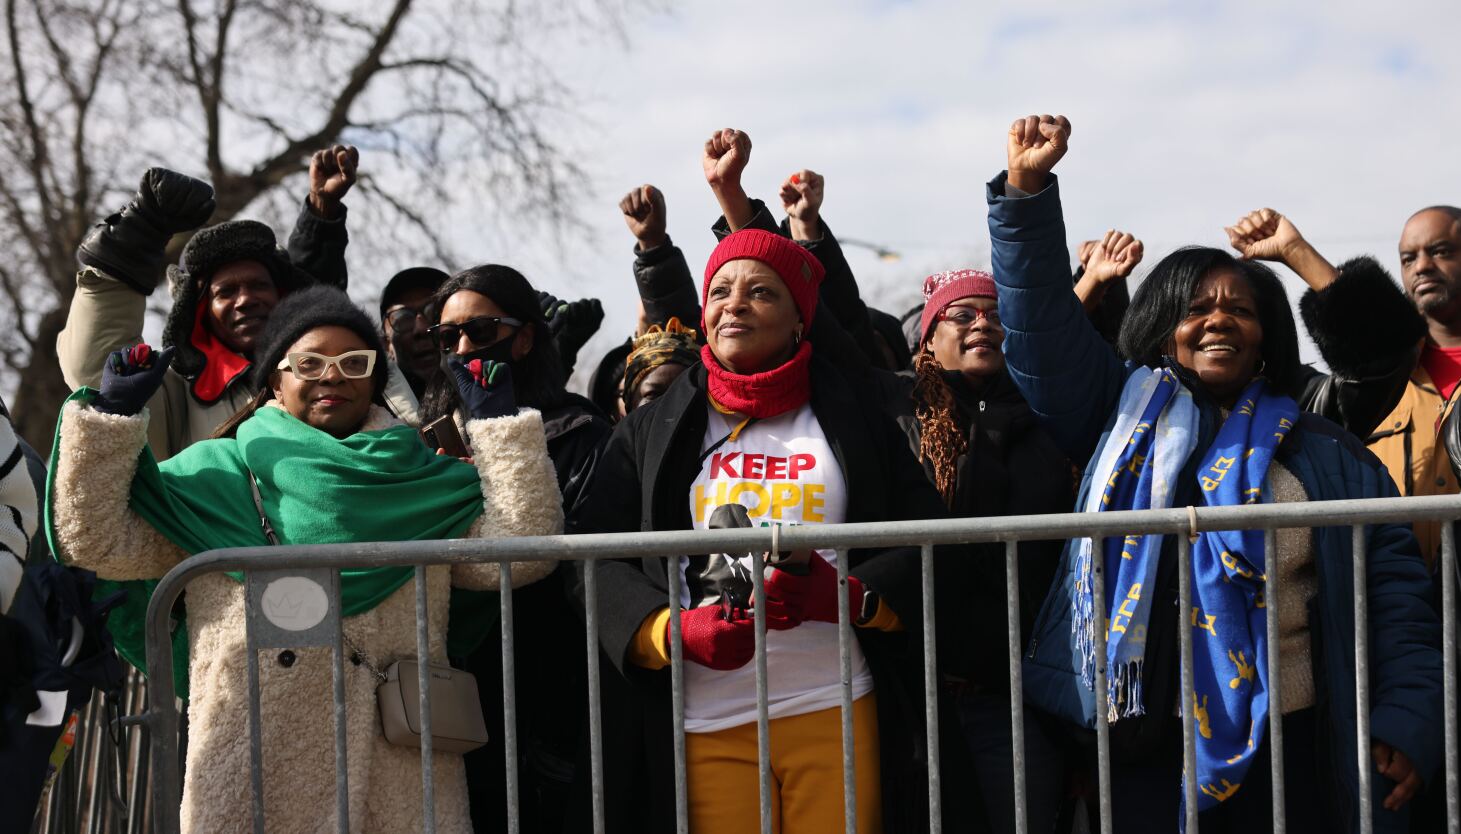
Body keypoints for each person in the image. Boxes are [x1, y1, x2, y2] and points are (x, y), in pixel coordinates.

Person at [994, 113, 1441, 833]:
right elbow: (1039, 335)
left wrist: (1409, 717)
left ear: (1266, 332)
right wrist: (1025, 188)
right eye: (1195, 307)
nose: (1217, 321)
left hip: (1299, 746)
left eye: (1239, 308)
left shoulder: (1321, 445)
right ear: (1161, 324)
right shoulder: (1114, 413)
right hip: (1140, 748)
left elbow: (1393, 596)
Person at [46, 285, 563, 833]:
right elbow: (93, 539)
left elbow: (520, 552)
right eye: (309, 363)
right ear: (275, 378)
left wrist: (500, 430)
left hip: (396, 774)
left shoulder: (425, 479)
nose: (333, 375)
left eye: (353, 362)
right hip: (247, 771)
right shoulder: (215, 473)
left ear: (375, 376)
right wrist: (110, 417)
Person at [568, 228, 947, 833]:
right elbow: (592, 559)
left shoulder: (857, 413)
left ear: (800, 320)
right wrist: (672, 631)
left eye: (760, 292)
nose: (734, 303)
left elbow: (931, 539)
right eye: (719, 290)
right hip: (704, 718)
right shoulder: (649, 427)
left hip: (835, 702)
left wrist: (852, 597)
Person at [416, 264, 612, 832]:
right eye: (445, 336)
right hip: (457, 681)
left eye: (481, 332)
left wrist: (502, 432)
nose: (461, 348)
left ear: (524, 338)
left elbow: (572, 556)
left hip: (551, 683)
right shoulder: (428, 436)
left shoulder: (582, 431)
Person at [57, 147, 365, 460]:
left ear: (282, 297)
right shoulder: (174, 396)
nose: (245, 299)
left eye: (259, 285)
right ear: (201, 312)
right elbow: (96, 366)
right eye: (226, 292)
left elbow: (317, 310)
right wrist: (136, 233)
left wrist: (320, 217)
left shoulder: (339, 376)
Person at [1370, 205, 1461, 565]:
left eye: (1440, 251)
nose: (1421, 266)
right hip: (1398, 606)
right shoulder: (1378, 378)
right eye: (1408, 258)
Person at [378, 265, 450, 417]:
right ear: (386, 344)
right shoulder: (370, 414)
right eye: (402, 319)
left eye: (435, 312)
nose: (421, 329)